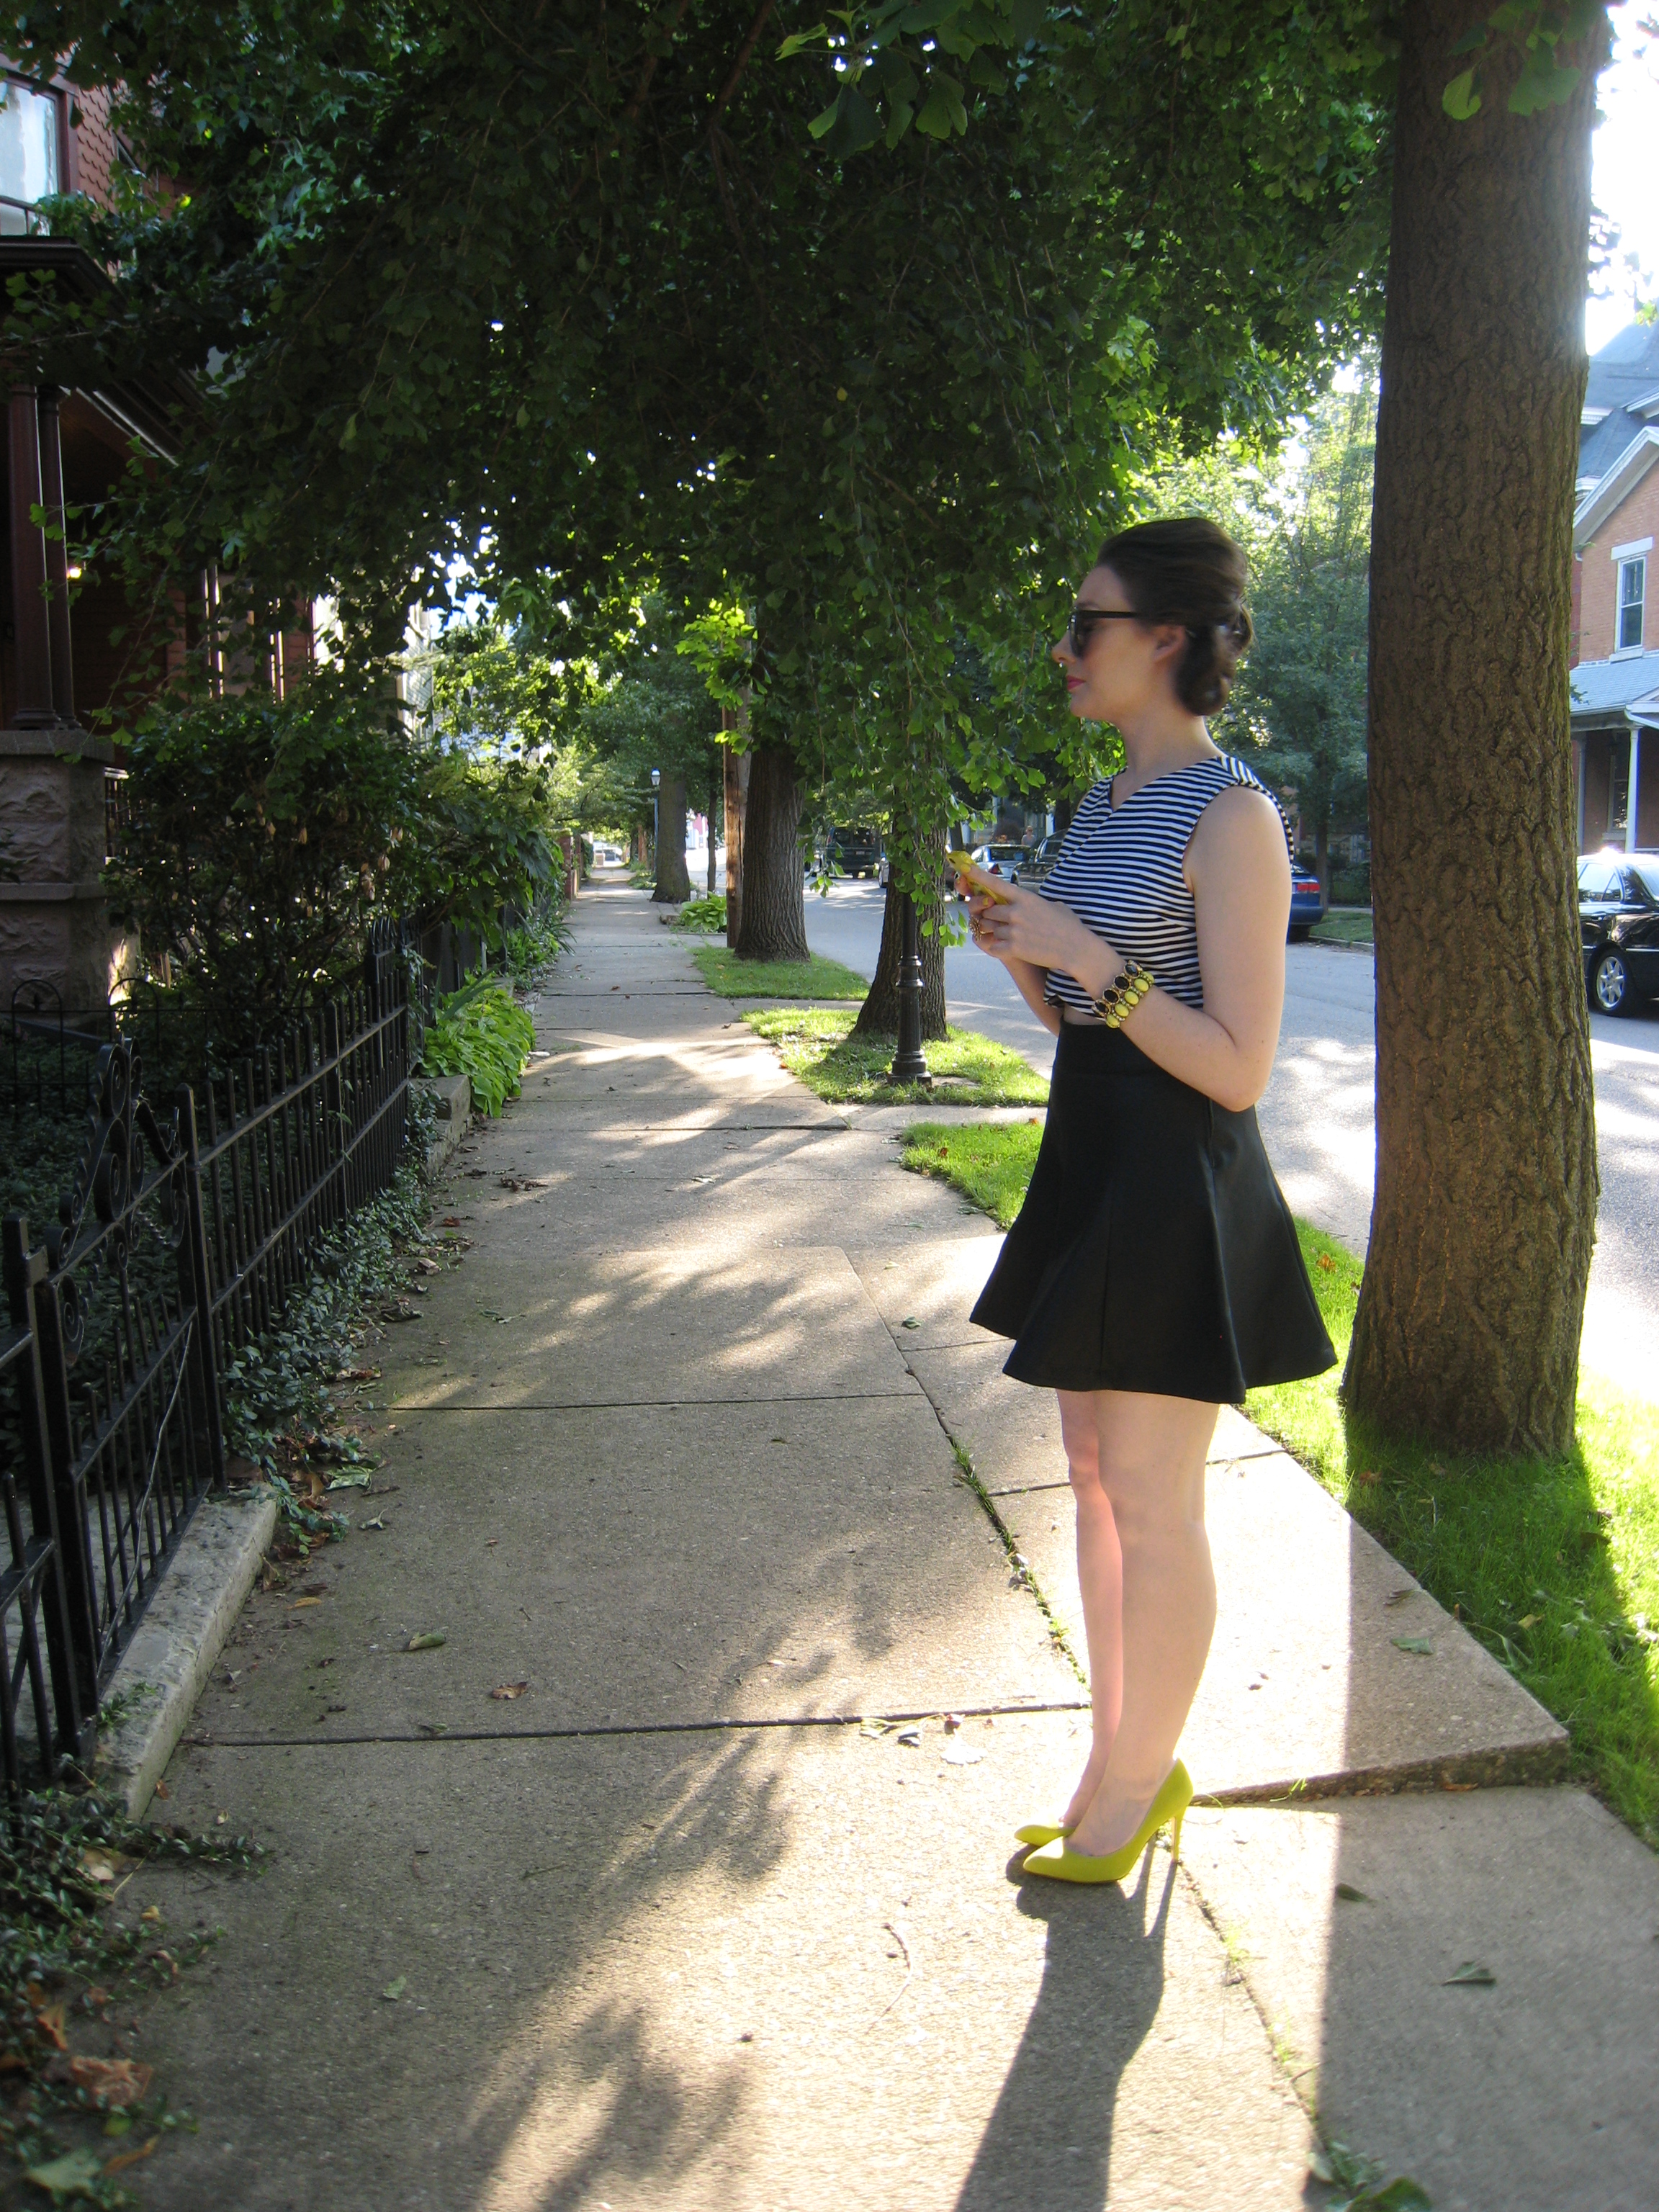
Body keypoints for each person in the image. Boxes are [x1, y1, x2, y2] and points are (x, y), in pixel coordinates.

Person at [961, 516, 1335, 1885]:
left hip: (1178, 1177)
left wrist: (1083, 955)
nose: (1066, 649)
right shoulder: (1102, 808)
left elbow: (1236, 1069)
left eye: (1088, 625)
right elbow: (1085, 1023)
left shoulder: (1233, 816)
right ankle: (1115, 1762)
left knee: (1154, 1499)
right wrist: (1025, 950)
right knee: (1092, 1482)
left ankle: (1136, 1786)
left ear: (1166, 638)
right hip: (1095, 1156)